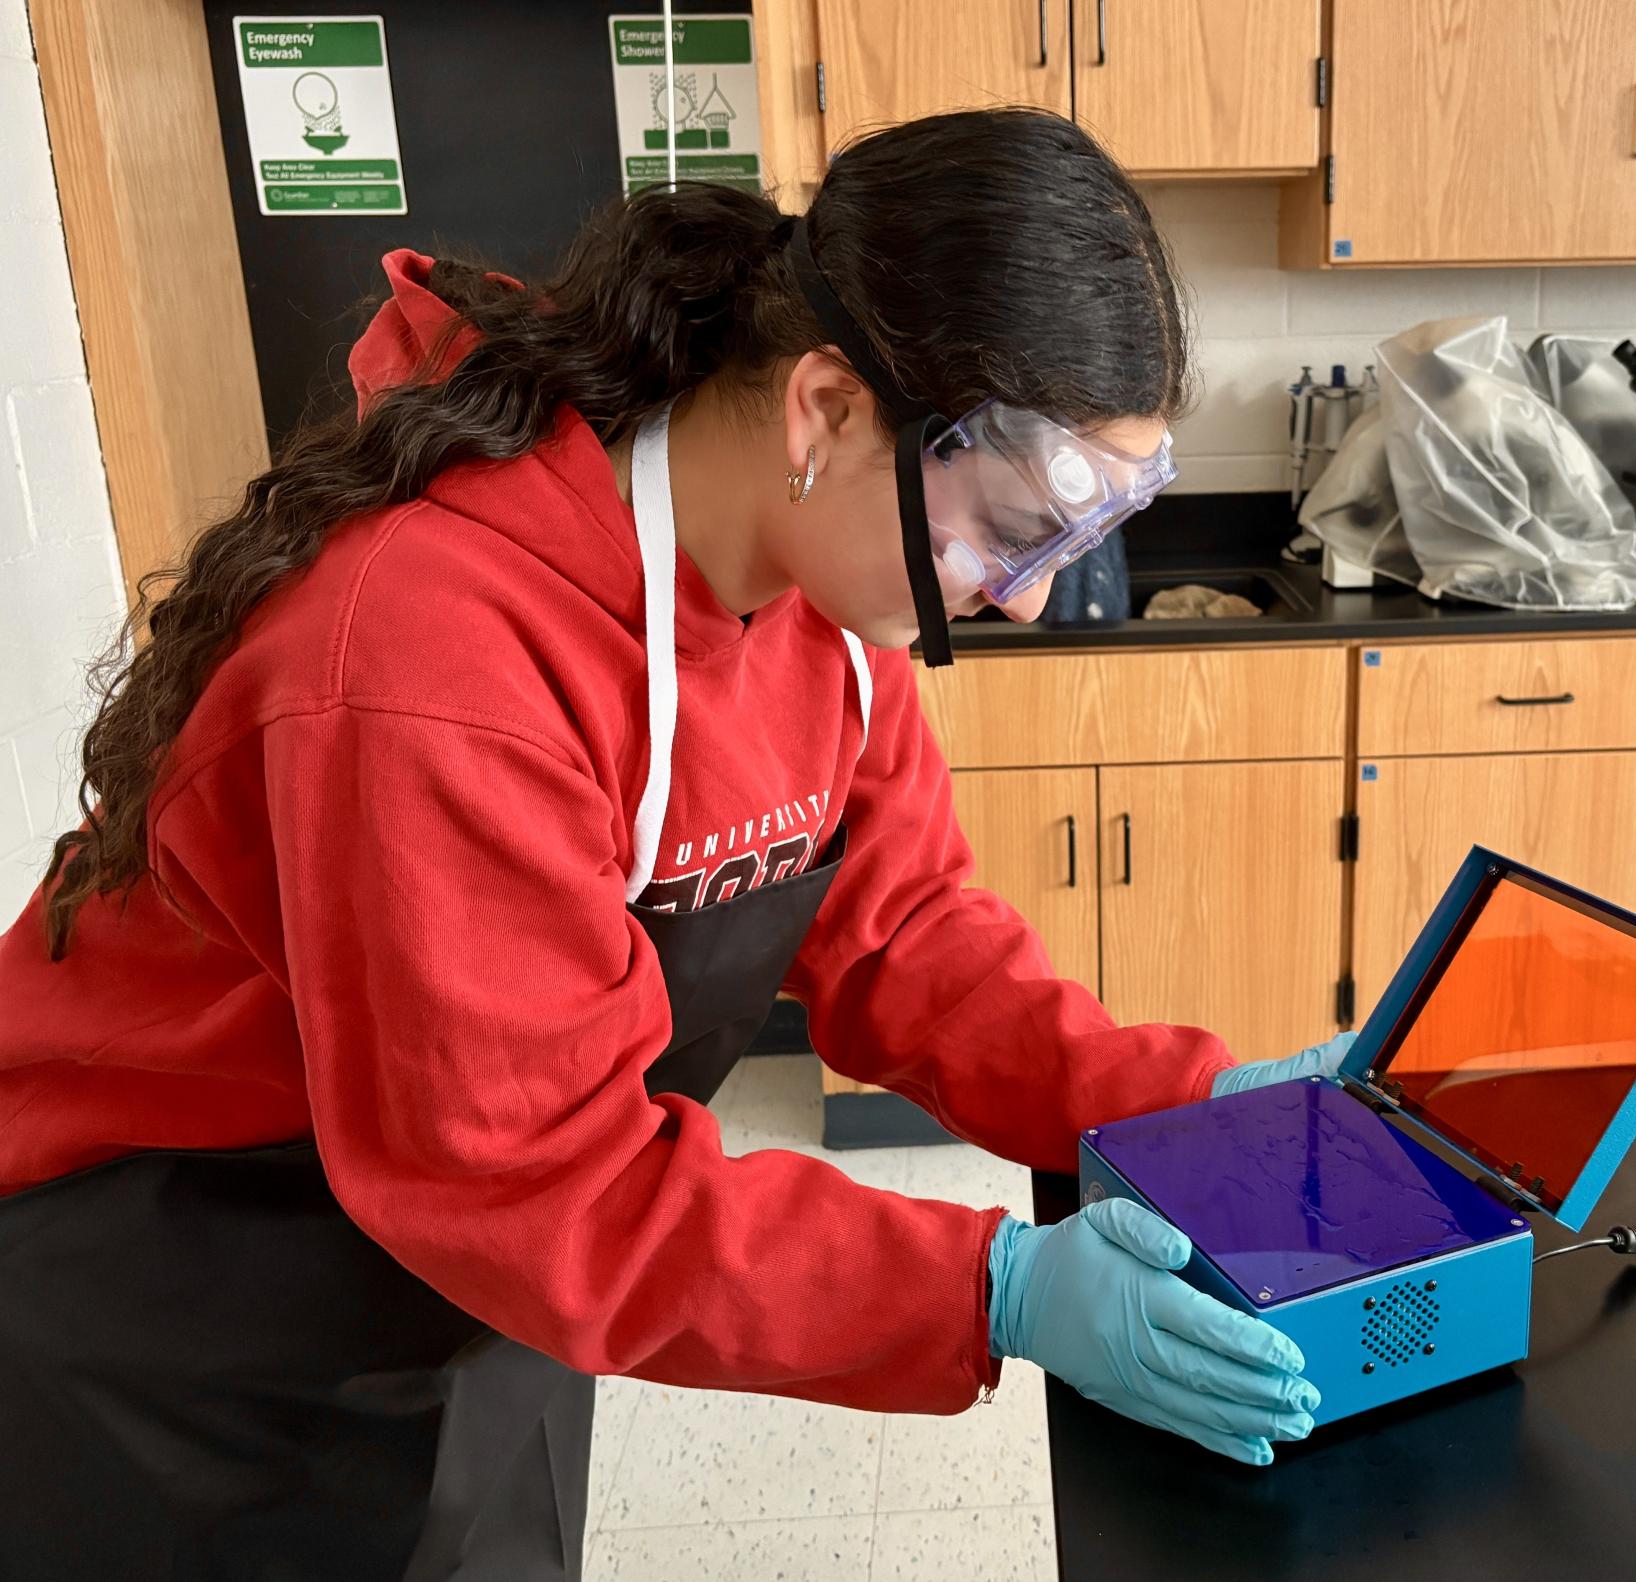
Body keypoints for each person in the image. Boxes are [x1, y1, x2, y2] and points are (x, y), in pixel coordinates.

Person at [0, 109, 1347, 1580]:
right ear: (825, 409)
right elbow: (536, 1178)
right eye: (1000, 534)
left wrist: (1188, 1106)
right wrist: (994, 1283)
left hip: (471, 1265)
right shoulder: (434, 657)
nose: (1019, 600)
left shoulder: (827, 601)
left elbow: (909, 943)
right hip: (192, 1314)